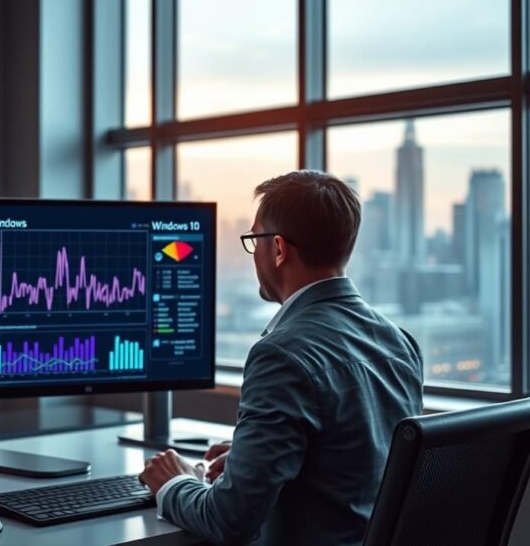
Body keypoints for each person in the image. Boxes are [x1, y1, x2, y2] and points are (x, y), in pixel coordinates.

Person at [139, 170, 424, 546]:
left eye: (253, 239)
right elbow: (357, 464)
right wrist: (254, 460)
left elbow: (228, 522)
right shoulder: (399, 341)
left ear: (277, 248)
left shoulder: (281, 354)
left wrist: (173, 483)